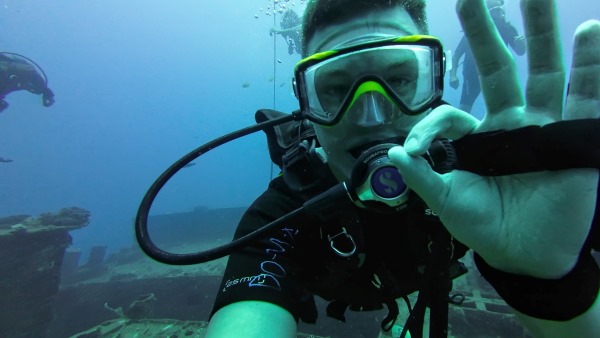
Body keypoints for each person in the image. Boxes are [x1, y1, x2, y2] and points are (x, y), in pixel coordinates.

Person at [207, 0, 600, 337]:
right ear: (307, 108)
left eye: (399, 78)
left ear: (432, 81)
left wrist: (549, 281)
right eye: (335, 89)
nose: (373, 116)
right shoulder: (281, 217)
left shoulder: (491, 185)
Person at [448, 0, 526, 113]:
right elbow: (456, 56)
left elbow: (520, 50)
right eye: (495, 12)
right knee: (465, 107)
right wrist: (452, 76)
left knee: (506, 109)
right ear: (487, 14)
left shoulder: (506, 29)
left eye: (500, 11)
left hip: (497, 74)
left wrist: (521, 46)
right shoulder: (473, 31)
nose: (500, 15)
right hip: (473, 74)